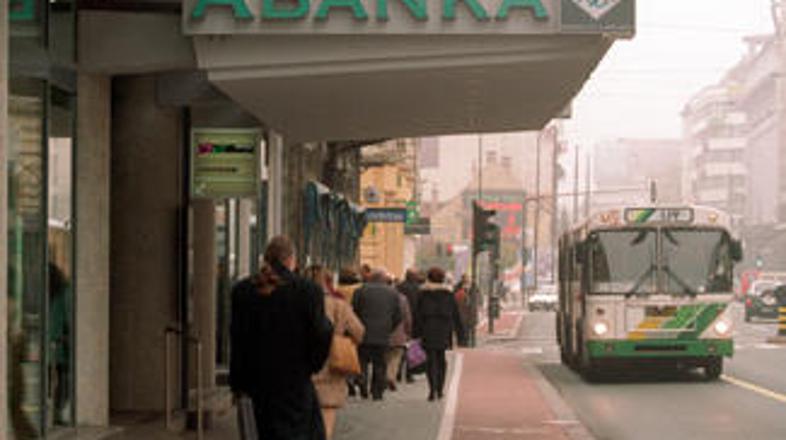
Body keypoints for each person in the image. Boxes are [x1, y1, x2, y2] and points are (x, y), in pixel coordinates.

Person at [229, 235, 334, 440]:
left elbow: (237, 338)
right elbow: (321, 333)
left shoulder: (242, 291)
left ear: (266, 259)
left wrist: (237, 383)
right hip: (293, 382)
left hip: (255, 383)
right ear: (290, 259)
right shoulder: (308, 290)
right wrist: (311, 365)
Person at [305, 266, 365, 440]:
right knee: (326, 419)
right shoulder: (339, 305)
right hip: (331, 366)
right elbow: (359, 331)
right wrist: (346, 340)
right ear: (329, 282)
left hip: (301, 368)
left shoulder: (295, 302)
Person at [415, 267, 465, 401]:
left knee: (430, 361)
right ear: (443, 279)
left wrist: (416, 333)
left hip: (428, 329)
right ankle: (440, 389)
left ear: (428, 278)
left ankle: (432, 390)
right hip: (444, 330)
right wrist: (461, 335)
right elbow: (456, 315)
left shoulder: (422, 294)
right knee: (441, 359)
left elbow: (417, 315)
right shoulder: (448, 294)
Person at [352, 268, 402, 400]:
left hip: (363, 332)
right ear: (384, 279)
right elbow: (398, 315)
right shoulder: (393, 293)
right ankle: (377, 392)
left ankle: (362, 382)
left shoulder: (360, 291)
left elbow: (354, 311)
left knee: (362, 359)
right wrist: (389, 328)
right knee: (380, 363)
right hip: (383, 334)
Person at [386, 286, 412, 391]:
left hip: (384, 332)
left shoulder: (384, 298)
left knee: (385, 357)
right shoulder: (403, 299)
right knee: (396, 357)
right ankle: (390, 377)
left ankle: (385, 376)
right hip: (399, 332)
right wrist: (408, 331)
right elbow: (407, 317)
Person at [453, 274, 471, 347]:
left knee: (465, 327)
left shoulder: (471, 287)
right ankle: (462, 342)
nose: (467, 280)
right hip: (461, 310)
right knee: (462, 326)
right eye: (466, 279)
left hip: (465, 311)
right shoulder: (458, 288)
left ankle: (464, 341)